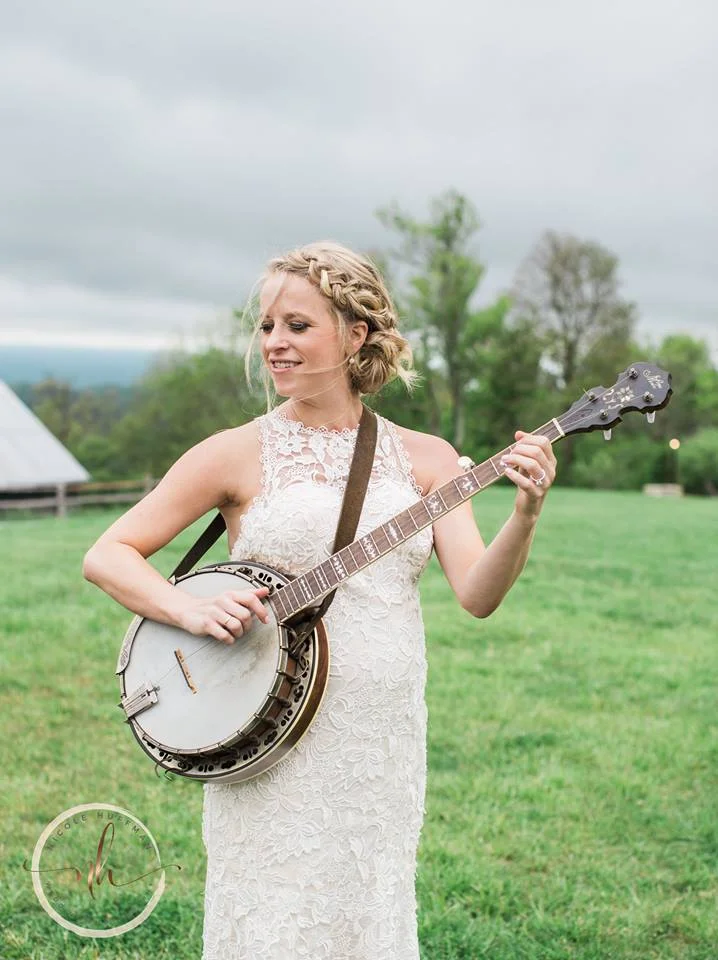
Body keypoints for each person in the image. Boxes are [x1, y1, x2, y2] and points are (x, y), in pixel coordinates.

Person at [83, 241, 557, 959]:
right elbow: (107, 554)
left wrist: (524, 514)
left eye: (297, 325)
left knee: (369, 912)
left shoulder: (427, 457)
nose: (275, 343)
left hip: (379, 741)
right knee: (277, 918)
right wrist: (187, 610)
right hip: (269, 724)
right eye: (267, 326)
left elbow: (478, 594)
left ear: (356, 334)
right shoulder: (235, 452)